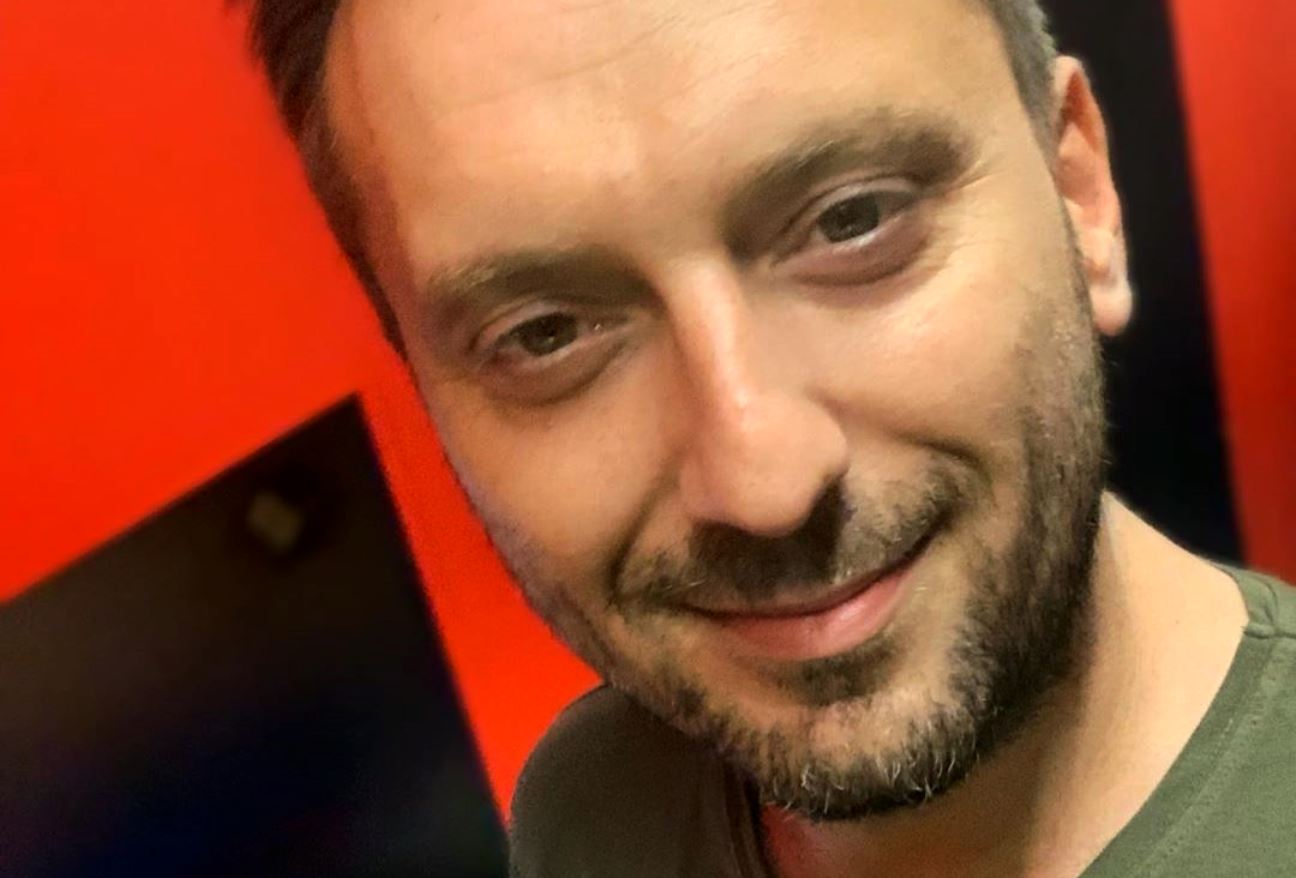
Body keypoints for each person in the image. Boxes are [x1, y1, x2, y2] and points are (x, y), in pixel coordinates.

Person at [244, 0, 1296, 874]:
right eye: (546, 333)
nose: (762, 483)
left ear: (1079, 195)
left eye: (853, 220)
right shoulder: (590, 803)